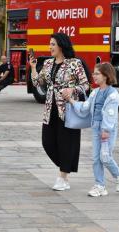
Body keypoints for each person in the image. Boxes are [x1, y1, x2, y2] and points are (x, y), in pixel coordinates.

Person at [29, 33, 90, 191]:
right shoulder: (48, 63)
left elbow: (86, 85)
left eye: (53, 44)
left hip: (68, 109)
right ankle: (66, 165)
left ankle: (63, 176)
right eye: (50, 44)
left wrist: (72, 89)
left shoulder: (74, 63)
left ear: (61, 45)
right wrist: (34, 67)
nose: (50, 47)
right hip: (50, 109)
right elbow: (37, 83)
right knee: (47, 142)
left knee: (66, 144)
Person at [65, 62, 119, 197]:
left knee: (105, 156)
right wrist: (71, 101)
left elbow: (110, 113)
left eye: (97, 73)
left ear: (106, 76)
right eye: (94, 73)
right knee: (96, 158)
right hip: (96, 128)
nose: (94, 76)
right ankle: (100, 185)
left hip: (107, 129)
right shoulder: (95, 92)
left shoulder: (113, 94)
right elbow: (85, 107)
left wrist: (105, 130)